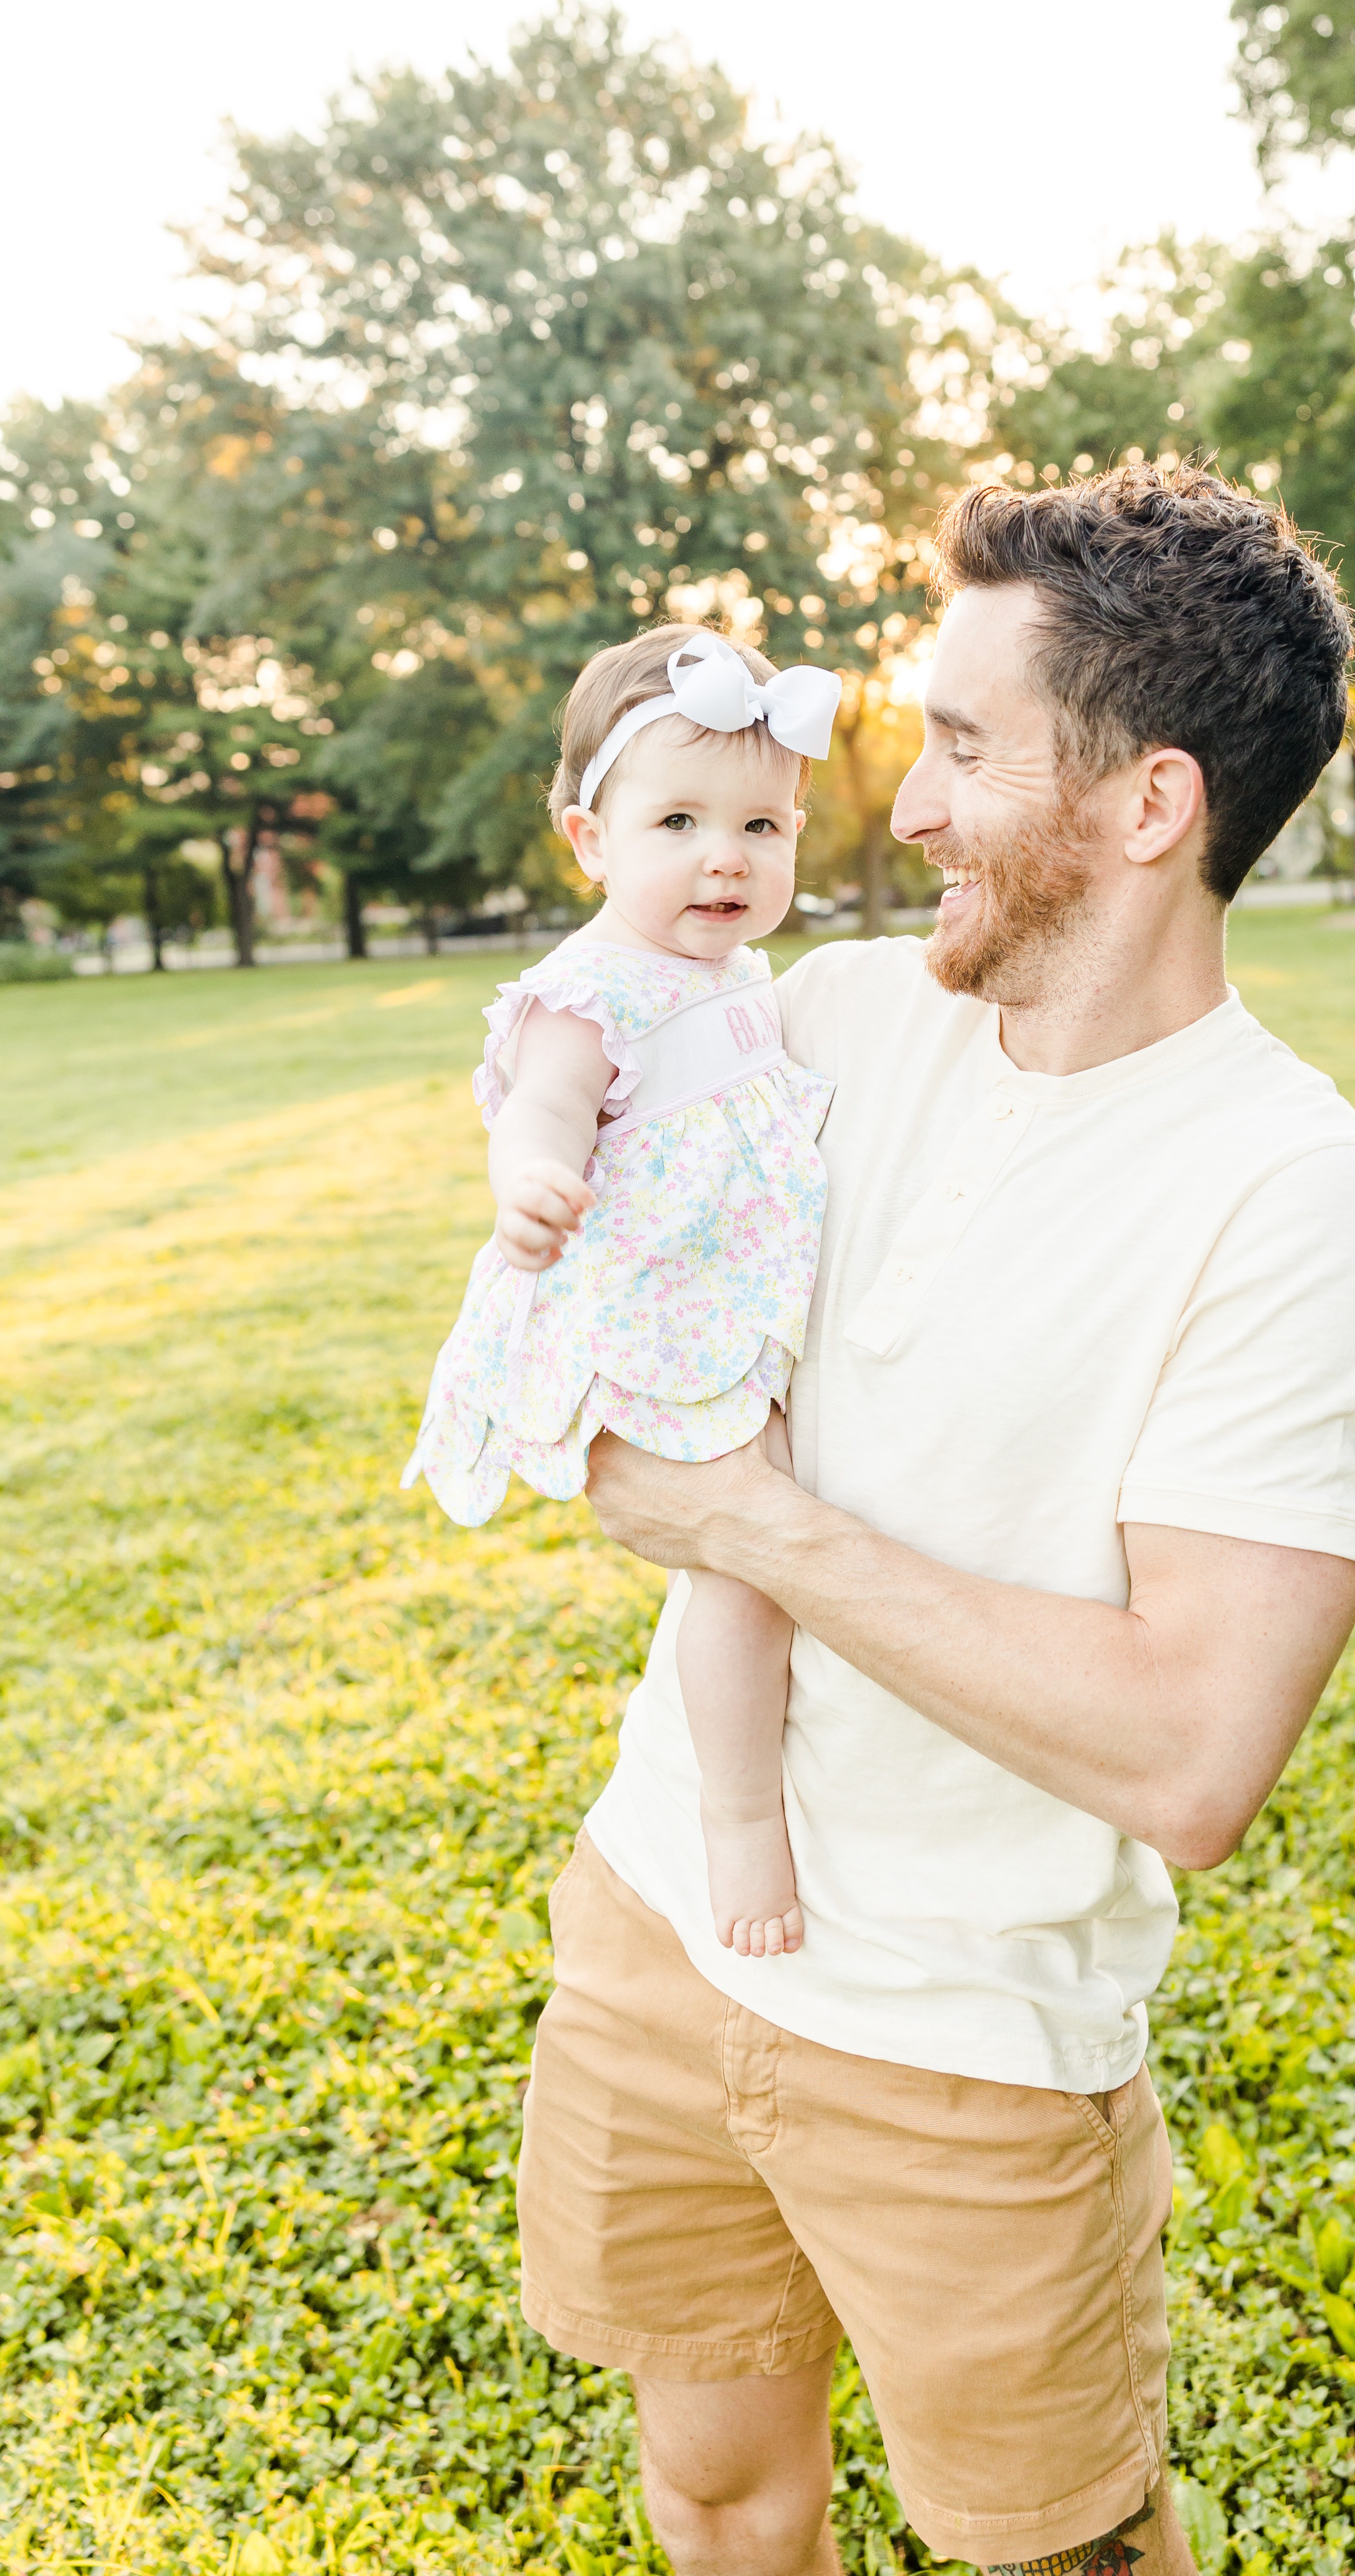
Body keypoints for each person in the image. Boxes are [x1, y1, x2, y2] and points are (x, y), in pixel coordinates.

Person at [516, 460, 1355, 2576]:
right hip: (662, 1921)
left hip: (968, 2053)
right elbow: (571, 1122)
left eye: (966, 748)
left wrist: (755, 1526)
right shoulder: (825, 1024)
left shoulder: (1292, 1195)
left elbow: (1198, 1758)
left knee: (1060, 2556)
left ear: (1145, 808)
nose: (903, 808)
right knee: (719, 2494)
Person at [403, 624, 842, 1955]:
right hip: (658, 1310)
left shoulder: (739, 975)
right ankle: (740, 1821)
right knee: (747, 1566)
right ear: (590, 840)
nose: (728, 855)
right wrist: (531, 1182)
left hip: (740, 1292)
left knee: (776, 1534)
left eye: (762, 824)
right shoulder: (589, 990)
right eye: (680, 821)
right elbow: (537, 1114)